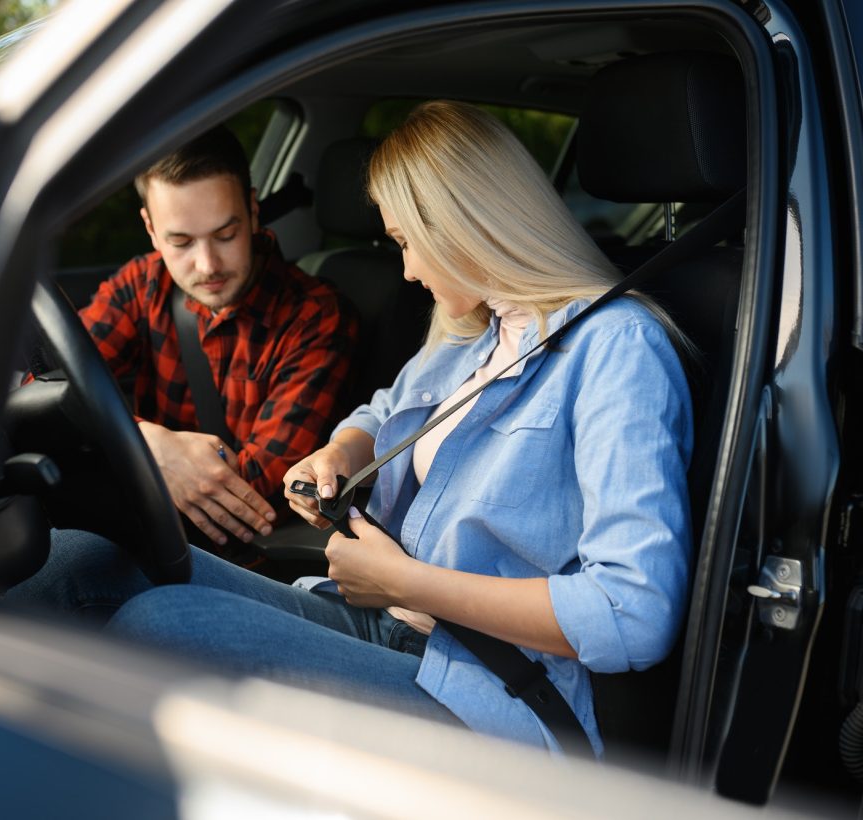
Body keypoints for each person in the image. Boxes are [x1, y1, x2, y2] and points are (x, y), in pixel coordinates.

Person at [62, 101, 693, 755]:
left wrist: (405, 582)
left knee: (159, 625)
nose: (408, 270)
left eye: (406, 242)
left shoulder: (617, 346)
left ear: (464, 226)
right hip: (393, 620)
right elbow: (385, 410)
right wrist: (341, 450)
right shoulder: (475, 331)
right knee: (81, 564)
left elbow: (632, 612)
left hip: (496, 689)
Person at [68, 125, 358, 556]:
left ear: (254, 212)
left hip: (243, 555)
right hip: (146, 530)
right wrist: (150, 445)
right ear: (150, 228)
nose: (207, 265)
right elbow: (49, 386)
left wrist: (119, 448)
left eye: (226, 235)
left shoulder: (314, 315)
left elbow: (257, 491)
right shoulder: (140, 285)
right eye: (180, 242)